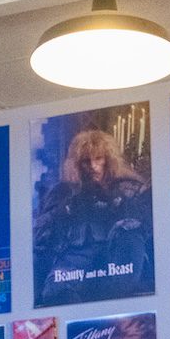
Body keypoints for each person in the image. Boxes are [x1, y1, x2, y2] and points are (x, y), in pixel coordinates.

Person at [34, 127, 151, 306]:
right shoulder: (64, 192)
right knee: (55, 291)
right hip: (76, 254)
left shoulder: (128, 187)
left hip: (116, 254)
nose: (93, 166)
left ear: (108, 160)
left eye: (98, 159)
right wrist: (67, 208)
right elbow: (42, 231)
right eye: (86, 161)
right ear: (77, 164)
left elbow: (143, 227)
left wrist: (118, 203)